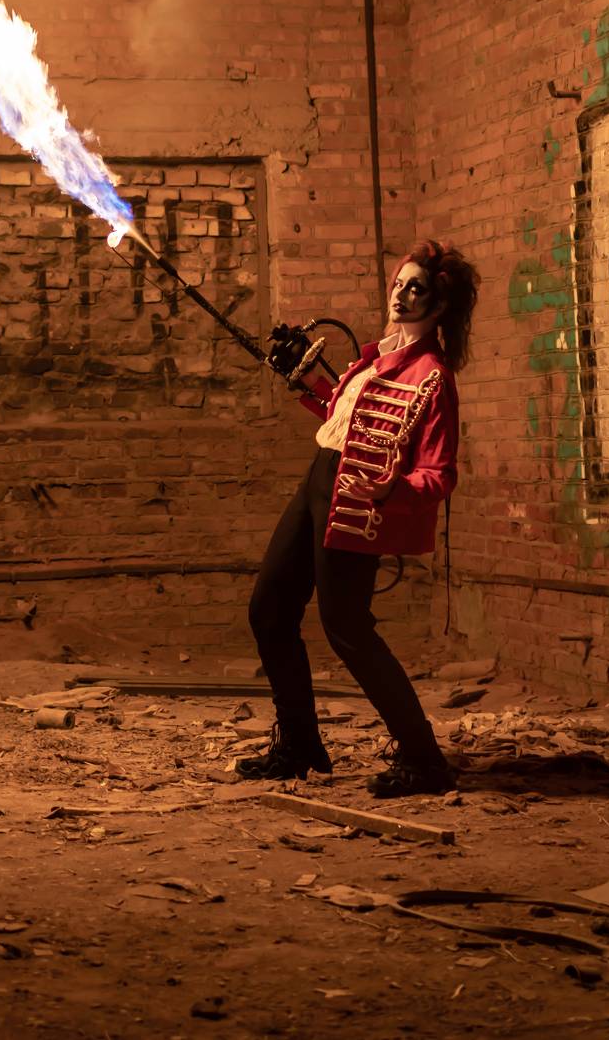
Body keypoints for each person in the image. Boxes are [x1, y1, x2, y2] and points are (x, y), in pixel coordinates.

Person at [236, 239, 479, 798]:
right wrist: (307, 383)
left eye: (417, 288)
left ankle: (424, 760)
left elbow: (441, 473)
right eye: (400, 283)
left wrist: (395, 488)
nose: (402, 294)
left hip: (357, 503)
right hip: (318, 479)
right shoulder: (375, 358)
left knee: (347, 629)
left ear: (440, 304)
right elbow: (347, 421)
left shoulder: (433, 378)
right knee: (269, 609)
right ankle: (300, 745)